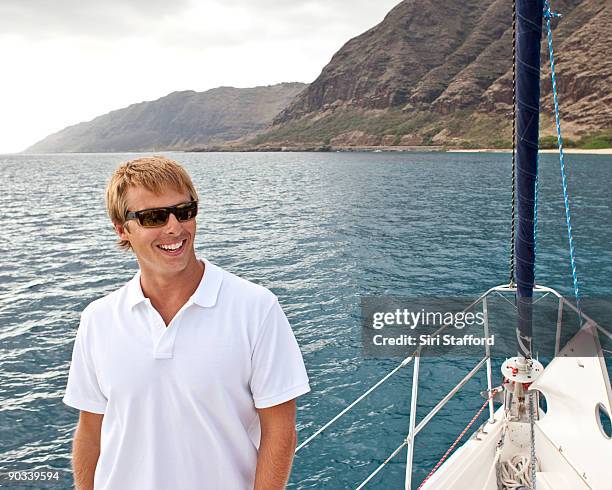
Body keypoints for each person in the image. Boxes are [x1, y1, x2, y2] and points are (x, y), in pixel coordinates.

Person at [63, 156, 310, 490]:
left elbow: (280, 430)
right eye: (154, 217)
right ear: (122, 228)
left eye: (184, 211)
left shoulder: (255, 307)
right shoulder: (98, 319)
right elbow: (90, 431)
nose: (174, 227)